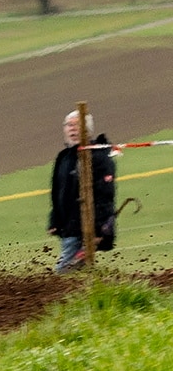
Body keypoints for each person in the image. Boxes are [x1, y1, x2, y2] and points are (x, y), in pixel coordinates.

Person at [48, 109, 117, 273]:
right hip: (68, 229)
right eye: (69, 125)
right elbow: (57, 193)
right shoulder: (64, 157)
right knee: (79, 276)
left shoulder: (98, 157)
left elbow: (105, 195)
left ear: (88, 130)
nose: (72, 129)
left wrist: (100, 229)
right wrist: (54, 220)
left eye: (77, 125)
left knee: (64, 274)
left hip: (85, 230)